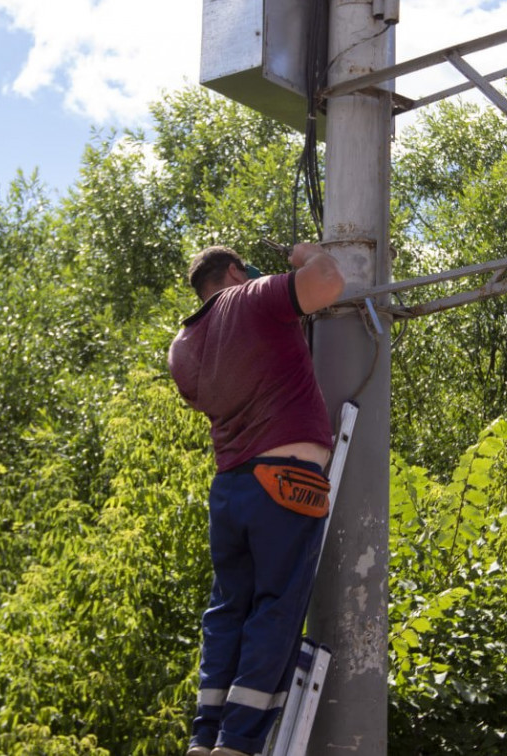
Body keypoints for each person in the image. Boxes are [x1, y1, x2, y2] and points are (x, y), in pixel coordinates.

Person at [168, 243, 344, 756]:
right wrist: (306, 255)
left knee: (228, 612)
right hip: (284, 481)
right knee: (276, 608)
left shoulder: (182, 345)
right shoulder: (251, 297)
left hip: (230, 491)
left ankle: (206, 737)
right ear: (232, 271)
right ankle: (239, 742)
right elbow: (328, 281)